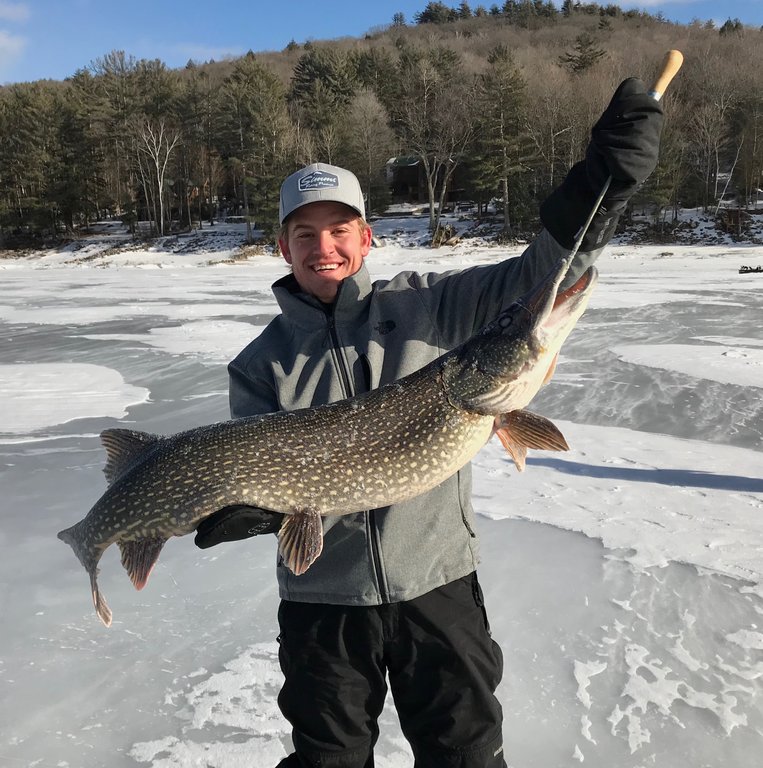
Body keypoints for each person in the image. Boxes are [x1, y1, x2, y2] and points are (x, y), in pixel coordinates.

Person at [195, 78, 663, 767]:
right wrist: (254, 509)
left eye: (338, 229)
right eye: (305, 233)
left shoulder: (433, 308)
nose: (323, 245)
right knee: (328, 759)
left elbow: (545, 272)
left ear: (366, 236)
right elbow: (263, 465)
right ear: (282, 247)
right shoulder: (259, 364)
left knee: (465, 754)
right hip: (322, 600)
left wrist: (603, 184)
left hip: (437, 585)